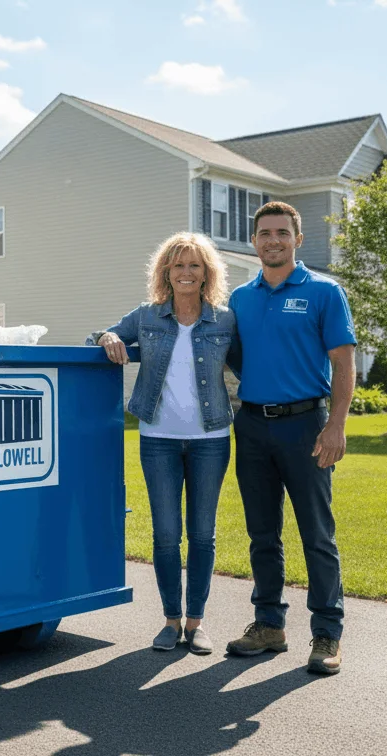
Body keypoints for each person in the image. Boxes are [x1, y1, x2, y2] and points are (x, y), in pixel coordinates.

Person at [224, 201, 355, 676]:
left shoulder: (324, 292)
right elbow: (236, 359)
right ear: (253, 241)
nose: (273, 240)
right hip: (253, 426)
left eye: (282, 232)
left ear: (297, 240)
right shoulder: (240, 298)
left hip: (307, 427)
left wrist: (335, 423)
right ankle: (269, 625)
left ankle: (327, 633)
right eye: (264, 233)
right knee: (262, 533)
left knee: (316, 534)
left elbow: (343, 362)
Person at [90, 232, 237, 655]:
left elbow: (251, 363)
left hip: (211, 438)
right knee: (166, 534)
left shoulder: (224, 319)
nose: (186, 273)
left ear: (206, 273)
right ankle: (171, 621)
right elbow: (97, 336)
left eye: (194, 265)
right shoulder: (147, 316)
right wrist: (107, 338)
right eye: (178, 266)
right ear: (166, 273)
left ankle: (197, 622)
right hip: (158, 439)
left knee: (203, 534)